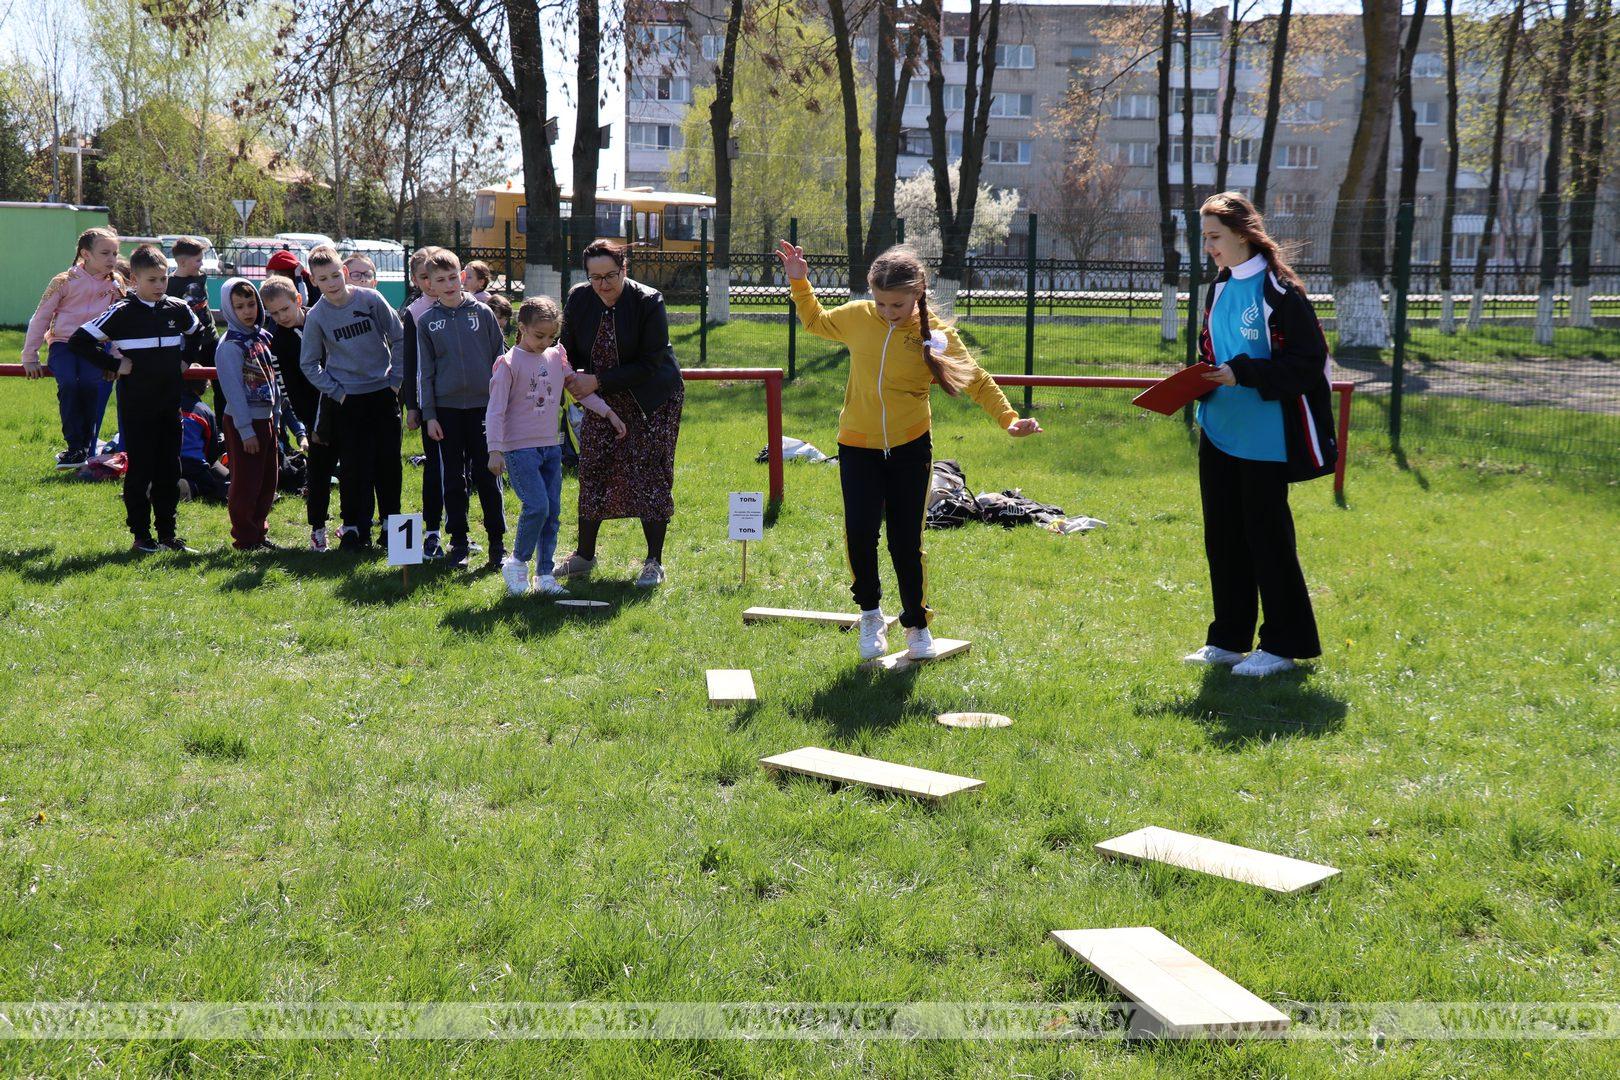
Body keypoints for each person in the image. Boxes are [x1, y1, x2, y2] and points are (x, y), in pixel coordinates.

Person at [776, 241, 1043, 661]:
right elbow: (814, 321)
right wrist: (799, 281)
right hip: (857, 446)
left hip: (909, 448)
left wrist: (1009, 419)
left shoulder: (937, 336)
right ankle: (869, 614)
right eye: (880, 303)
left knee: (905, 541)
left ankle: (916, 624)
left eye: (896, 304)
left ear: (918, 292)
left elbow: (977, 380)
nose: (887, 312)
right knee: (860, 534)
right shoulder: (859, 317)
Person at [1182, 191, 1336, 678]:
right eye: (1204, 237)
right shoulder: (1219, 286)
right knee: (1222, 538)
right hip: (1218, 431)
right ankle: (1228, 639)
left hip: (1266, 437)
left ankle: (1284, 644)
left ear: (1244, 235)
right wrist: (1198, 379)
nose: (1207, 247)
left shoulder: (1281, 293)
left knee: (1267, 539)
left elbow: (1306, 365)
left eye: (1214, 237)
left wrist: (1242, 374)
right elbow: (1213, 350)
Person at [554, 240, 684, 588]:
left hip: (651, 400)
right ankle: (583, 555)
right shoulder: (579, 298)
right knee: (593, 467)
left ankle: (654, 562)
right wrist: (568, 376)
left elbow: (650, 362)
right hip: (601, 400)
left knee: (652, 474)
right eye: (595, 277)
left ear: (624, 270)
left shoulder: (648, 301)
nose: (603, 285)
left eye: (610, 275)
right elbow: (566, 349)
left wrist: (598, 380)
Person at [67, 243, 208, 553]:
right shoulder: (121, 313)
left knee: (169, 471)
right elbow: (79, 341)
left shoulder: (177, 308)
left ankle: (168, 535)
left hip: (170, 406)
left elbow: (198, 332)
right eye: (151, 280)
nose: (159, 286)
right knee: (140, 471)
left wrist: (185, 361)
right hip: (137, 407)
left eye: (163, 279)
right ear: (134, 281)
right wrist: (114, 364)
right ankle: (141, 537)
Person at [487, 296, 624, 596]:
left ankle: (545, 575)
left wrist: (608, 412)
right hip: (519, 449)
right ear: (521, 327)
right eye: (539, 335)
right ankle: (517, 562)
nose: (545, 342)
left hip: (551, 448)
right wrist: (495, 449)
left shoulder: (556, 356)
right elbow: (495, 410)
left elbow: (577, 390)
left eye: (551, 336)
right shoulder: (508, 364)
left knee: (552, 512)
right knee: (536, 506)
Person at [298, 243, 405, 552]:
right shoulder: (317, 317)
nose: (331, 284)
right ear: (314, 282)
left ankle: (392, 530)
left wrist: (395, 381)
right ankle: (357, 530)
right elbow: (308, 363)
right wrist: (338, 393)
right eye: (323, 279)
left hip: (383, 395)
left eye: (335, 276)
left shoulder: (371, 300)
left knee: (388, 465)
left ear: (344, 273)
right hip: (348, 402)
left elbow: (398, 337)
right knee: (354, 468)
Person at [417, 249, 507, 570]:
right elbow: (424, 372)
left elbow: (501, 359)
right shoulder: (427, 322)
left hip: (484, 409)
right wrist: (429, 414)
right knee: (453, 478)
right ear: (430, 284)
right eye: (441, 280)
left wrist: (503, 404)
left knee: (487, 475)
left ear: (463, 277)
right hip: (446, 412)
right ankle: (458, 541)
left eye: (454, 277)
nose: (449, 283)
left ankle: (497, 542)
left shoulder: (482, 313)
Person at [20, 226, 124, 468]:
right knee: (68, 383)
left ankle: (86, 445)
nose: (112, 259)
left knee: (90, 385)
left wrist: (115, 359)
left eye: (115, 254)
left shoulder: (115, 283)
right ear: (86, 254)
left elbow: (121, 322)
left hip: (94, 346)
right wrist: (30, 355)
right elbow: (41, 317)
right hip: (63, 344)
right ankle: (74, 445)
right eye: (105, 253)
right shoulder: (63, 281)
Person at [262, 275, 335, 550]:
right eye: (274, 313)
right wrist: (310, 425)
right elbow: (289, 390)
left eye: (285, 309)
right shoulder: (279, 342)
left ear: (299, 301)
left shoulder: (322, 319)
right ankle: (318, 529)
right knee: (319, 474)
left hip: (346, 403)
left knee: (355, 470)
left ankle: (354, 525)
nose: (281, 316)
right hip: (315, 413)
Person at [214, 278, 285, 550]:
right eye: (239, 306)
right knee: (247, 483)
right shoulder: (230, 346)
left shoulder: (263, 337)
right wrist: (246, 430)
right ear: (229, 309)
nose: (247, 311)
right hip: (244, 422)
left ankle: (259, 533)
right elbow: (233, 392)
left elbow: (273, 381)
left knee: (268, 481)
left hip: (265, 420)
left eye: (251, 303)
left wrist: (275, 419)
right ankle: (245, 538)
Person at [400, 247, 449, 559]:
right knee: (435, 467)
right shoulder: (415, 313)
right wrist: (413, 405)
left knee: (462, 470)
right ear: (417, 280)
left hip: (464, 400)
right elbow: (410, 361)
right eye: (424, 278)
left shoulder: (463, 304)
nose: (432, 284)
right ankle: (432, 532)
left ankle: (459, 530)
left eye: (437, 277)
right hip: (430, 400)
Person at [178, 391, 228, 504]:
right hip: (193, 465)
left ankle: (157, 485)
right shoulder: (204, 410)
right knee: (211, 485)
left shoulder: (163, 404)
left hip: (164, 463)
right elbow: (211, 454)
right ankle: (189, 488)